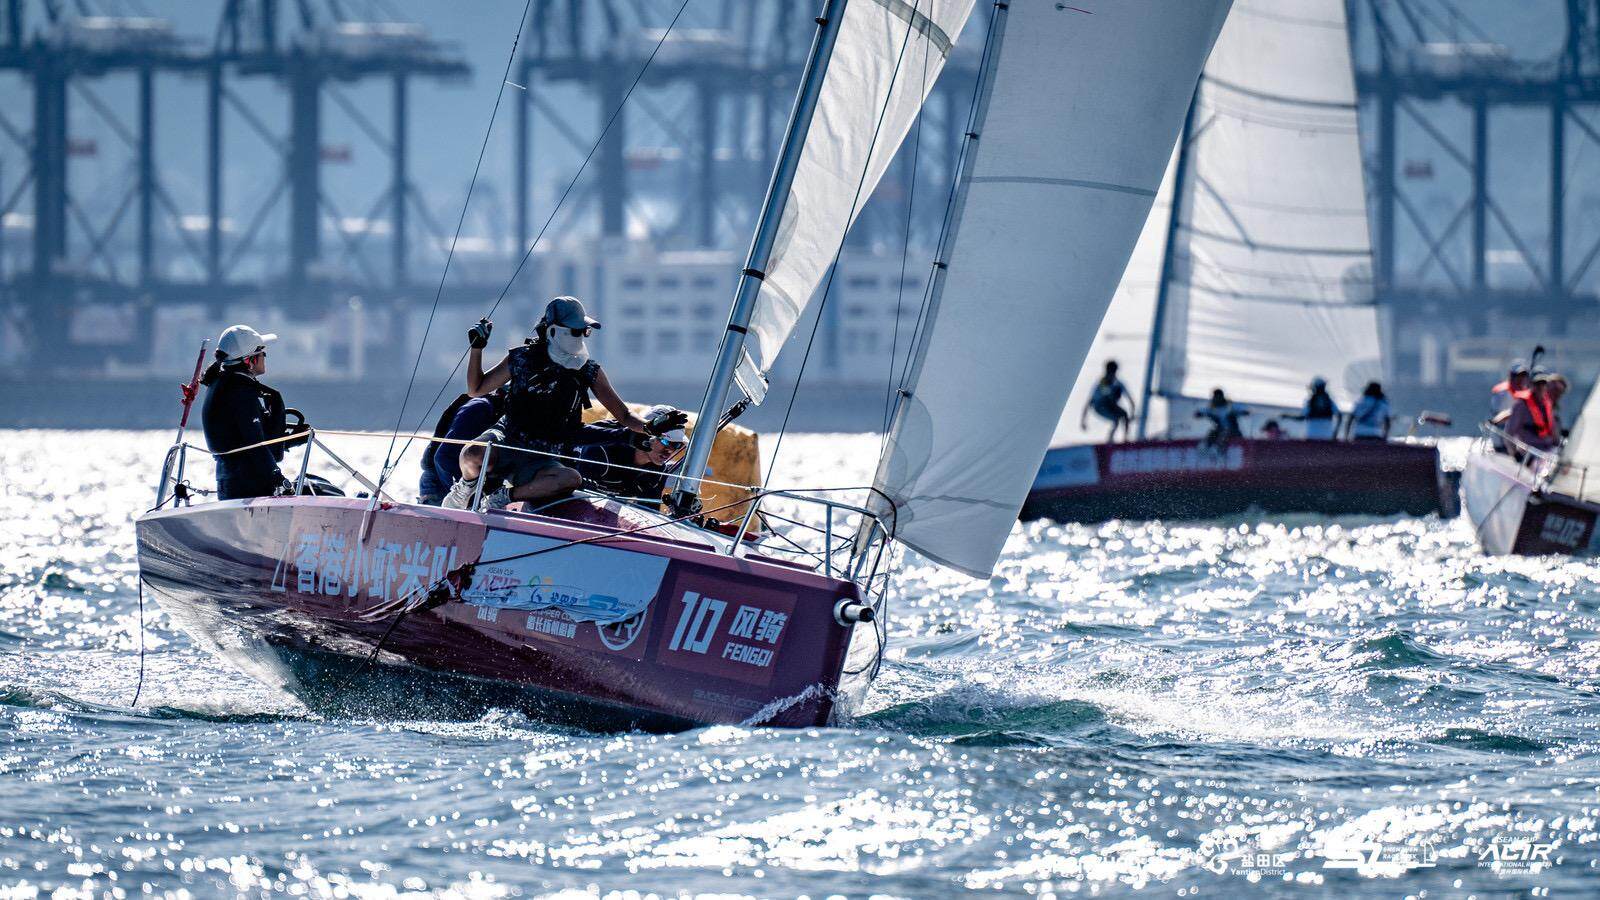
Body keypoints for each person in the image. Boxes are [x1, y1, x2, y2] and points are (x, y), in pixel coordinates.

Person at [444, 296, 652, 509]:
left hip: (540, 458)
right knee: (473, 453)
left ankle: (503, 497)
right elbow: (476, 389)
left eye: (585, 331)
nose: (582, 336)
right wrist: (477, 348)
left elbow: (624, 415)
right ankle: (465, 488)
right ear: (553, 331)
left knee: (571, 479)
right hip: (506, 438)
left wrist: (650, 427)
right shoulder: (522, 358)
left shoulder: (590, 371)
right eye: (576, 331)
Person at [200, 324, 306, 500]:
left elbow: (244, 440)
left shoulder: (221, 384)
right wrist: (279, 479)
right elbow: (255, 446)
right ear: (250, 361)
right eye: (263, 353)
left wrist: (290, 440)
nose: (265, 357)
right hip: (248, 489)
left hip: (231, 486)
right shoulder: (240, 393)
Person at [571, 405, 690, 503]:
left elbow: (649, 511)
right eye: (666, 441)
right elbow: (577, 500)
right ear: (646, 434)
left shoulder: (656, 471)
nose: (669, 450)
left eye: (677, 445)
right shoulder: (602, 451)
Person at [418, 390, 506, 505]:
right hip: (442, 483)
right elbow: (444, 457)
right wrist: (466, 497)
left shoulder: (494, 411)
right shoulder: (480, 408)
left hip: (454, 479)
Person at [1080, 360, 1135, 442]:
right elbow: (1088, 403)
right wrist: (1083, 421)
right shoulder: (1101, 384)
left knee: (1124, 415)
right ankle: (1110, 441)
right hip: (1099, 407)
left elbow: (1130, 400)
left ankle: (1125, 440)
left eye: (1113, 372)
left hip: (1111, 405)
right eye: (1109, 372)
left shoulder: (1118, 384)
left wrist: (1132, 414)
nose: (1111, 375)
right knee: (1116, 420)